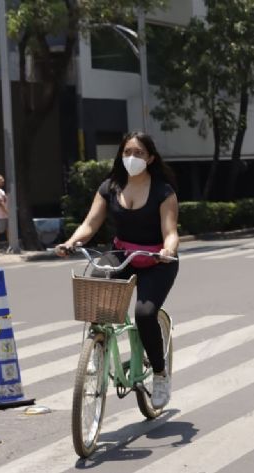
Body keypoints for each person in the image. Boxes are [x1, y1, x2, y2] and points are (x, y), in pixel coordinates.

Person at [55, 132, 180, 409]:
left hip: (157, 260)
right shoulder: (109, 187)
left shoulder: (163, 192)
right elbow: (90, 224)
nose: (132, 158)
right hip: (122, 254)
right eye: (127, 152)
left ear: (150, 158)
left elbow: (171, 232)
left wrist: (167, 252)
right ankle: (97, 351)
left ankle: (159, 374)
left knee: (145, 314)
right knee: (96, 289)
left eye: (138, 153)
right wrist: (71, 242)